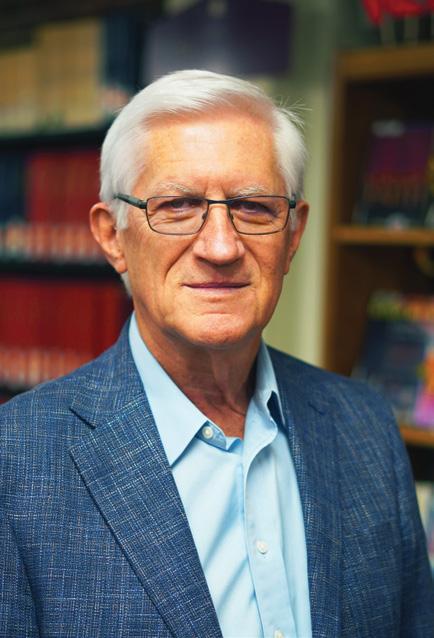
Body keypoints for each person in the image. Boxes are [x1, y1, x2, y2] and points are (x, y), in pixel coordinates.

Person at [0, 70, 433, 638]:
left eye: (253, 207)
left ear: (293, 235)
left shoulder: (365, 426)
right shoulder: (17, 462)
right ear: (112, 236)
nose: (222, 247)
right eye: (179, 205)